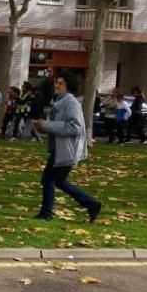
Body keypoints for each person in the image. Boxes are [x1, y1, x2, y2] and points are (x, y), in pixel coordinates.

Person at [33, 74, 101, 222]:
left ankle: (46, 213)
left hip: (65, 151)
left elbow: (75, 127)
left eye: (60, 83)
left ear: (68, 86)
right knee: (58, 181)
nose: (56, 85)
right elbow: (59, 126)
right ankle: (91, 204)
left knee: (48, 180)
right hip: (62, 150)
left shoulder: (71, 103)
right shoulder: (60, 101)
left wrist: (47, 125)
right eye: (56, 82)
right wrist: (43, 125)